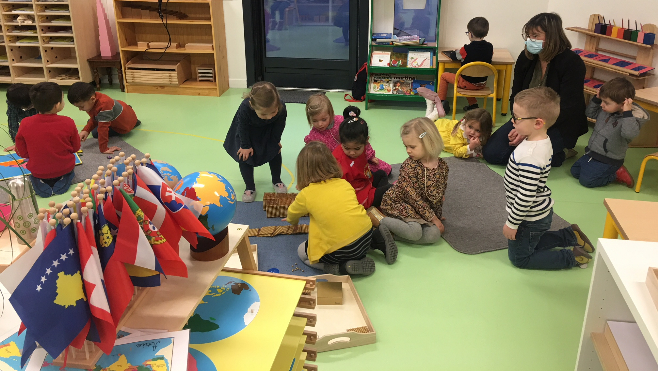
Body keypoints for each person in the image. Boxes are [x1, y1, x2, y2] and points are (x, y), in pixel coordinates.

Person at [502, 87, 593, 270]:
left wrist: (512, 222)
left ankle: (571, 257)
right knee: (530, 240)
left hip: (529, 217)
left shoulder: (530, 156)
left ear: (537, 123)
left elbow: (526, 195)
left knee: (520, 258)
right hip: (536, 213)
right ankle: (570, 236)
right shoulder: (542, 139)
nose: (512, 121)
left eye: (517, 118)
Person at [483, 12, 588, 168]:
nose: (530, 40)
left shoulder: (572, 63)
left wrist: (529, 131)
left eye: (535, 35)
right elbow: (516, 94)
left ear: (552, 36)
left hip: (558, 124)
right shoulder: (527, 58)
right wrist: (518, 122)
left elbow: (568, 108)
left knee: (526, 159)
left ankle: (563, 151)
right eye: (529, 35)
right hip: (525, 119)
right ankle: (554, 153)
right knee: (492, 153)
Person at [285, 142, 398, 275]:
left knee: (303, 252)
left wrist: (292, 221)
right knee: (354, 235)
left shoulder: (305, 194)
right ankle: (376, 239)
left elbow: (292, 213)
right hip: (366, 233)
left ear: (303, 171)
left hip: (340, 251)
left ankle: (340, 268)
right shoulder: (344, 183)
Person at [379, 117, 448, 244]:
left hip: (421, 211)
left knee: (434, 234)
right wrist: (433, 219)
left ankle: (396, 233)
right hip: (400, 204)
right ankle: (380, 222)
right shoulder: (409, 166)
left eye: (412, 146)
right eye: (406, 146)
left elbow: (439, 194)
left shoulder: (442, 166)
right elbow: (414, 199)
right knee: (415, 231)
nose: (408, 151)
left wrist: (437, 215)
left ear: (430, 142)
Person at [571, 78, 650, 188]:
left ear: (623, 104)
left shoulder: (631, 119)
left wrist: (627, 113)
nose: (602, 105)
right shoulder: (607, 110)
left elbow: (629, 134)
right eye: (602, 101)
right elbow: (589, 113)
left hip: (609, 160)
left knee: (587, 181)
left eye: (606, 103)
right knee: (575, 172)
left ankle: (615, 173)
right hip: (593, 153)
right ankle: (600, 169)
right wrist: (597, 99)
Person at [224, 81, 287, 202]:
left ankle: (276, 180)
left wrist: (275, 141)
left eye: (273, 112)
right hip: (247, 133)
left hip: (267, 131)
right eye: (264, 114)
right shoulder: (245, 108)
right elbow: (242, 127)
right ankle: (250, 187)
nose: (269, 117)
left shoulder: (281, 108)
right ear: (252, 106)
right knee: (244, 156)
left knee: (275, 151)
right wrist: (245, 146)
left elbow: (280, 126)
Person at [15, 82, 80, 197]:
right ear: (57, 105)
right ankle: (63, 178)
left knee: (35, 175)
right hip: (64, 167)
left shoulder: (25, 123)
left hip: (38, 170)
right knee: (69, 171)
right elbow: (75, 147)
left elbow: (21, 151)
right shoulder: (68, 122)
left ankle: (40, 182)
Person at [304, 95, 391, 175]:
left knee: (384, 170)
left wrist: (370, 155)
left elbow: (360, 137)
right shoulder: (313, 137)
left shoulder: (341, 122)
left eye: (324, 119)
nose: (320, 124)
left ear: (331, 113)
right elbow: (312, 156)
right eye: (315, 121)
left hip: (355, 155)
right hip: (337, 165)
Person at [332, 106, 391, 209]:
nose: (352, 152)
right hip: (357, 196)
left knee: (382, 174)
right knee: (391, 189)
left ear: (366, 141)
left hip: (364, 181)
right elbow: (340, 191)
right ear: (341, 142)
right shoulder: (339, 162)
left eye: (357, 148)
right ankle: (375, 205)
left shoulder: (363, 147)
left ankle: (377, 203)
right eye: (346, 148)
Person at [438, 17, 493, 113]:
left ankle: (441, 103)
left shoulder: (466, 49)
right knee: (469, 77)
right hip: (482, 83)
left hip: (467, 83)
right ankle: (473, 105)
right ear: (486, 33)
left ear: (470, 34)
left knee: (444, 76)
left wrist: (456, 52)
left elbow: (454, 56)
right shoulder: (490, 47)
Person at [67, 82, 140, 154]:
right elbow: (95, 117)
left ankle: (133, 123)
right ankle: (132, 118)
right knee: (94, 121)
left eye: (81, 106)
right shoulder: (95, 98)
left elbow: (103, 129)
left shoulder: (104, 106)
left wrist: (104, 148)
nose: (80, 109)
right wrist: (86, 130)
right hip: (124, 110)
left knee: (96, 133)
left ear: (92, 99)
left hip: (124, 125)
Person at [5, 83, 37, 152]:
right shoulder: (12, 104)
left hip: (37, 112)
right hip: (22, 113)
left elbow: (45, 120)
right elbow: (13, 122)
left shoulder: (37, 98)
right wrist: (17, 143)